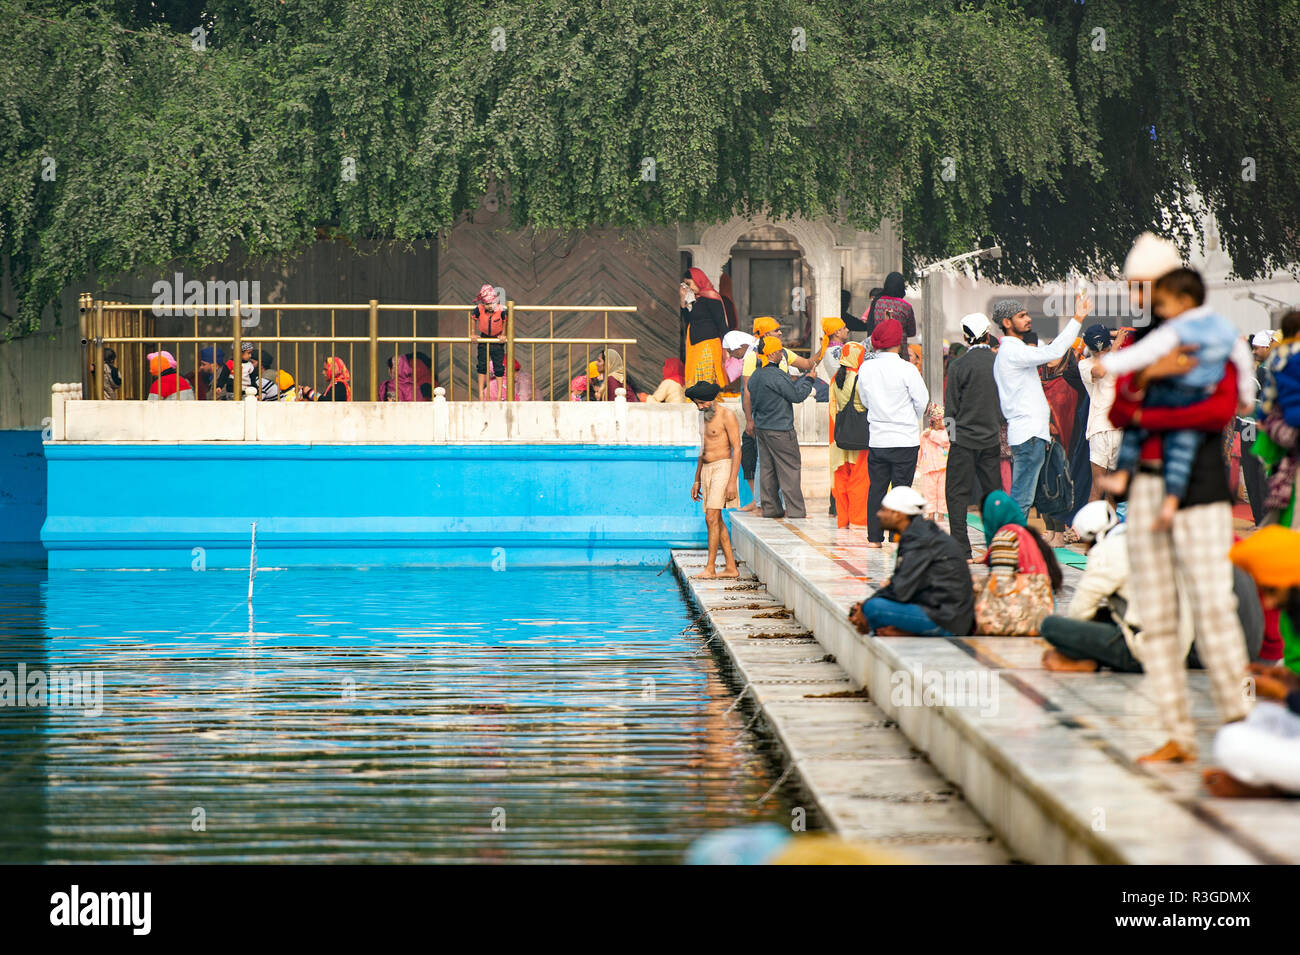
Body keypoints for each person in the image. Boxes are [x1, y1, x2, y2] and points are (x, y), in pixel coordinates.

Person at [1107, 232, 1253, 764]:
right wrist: (1146, 383)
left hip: (1202, 489)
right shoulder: (1136, 346)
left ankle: (1241, 725)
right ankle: (1177, 732)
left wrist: (1149, 408)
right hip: (1147, 486)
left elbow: (1218, 412)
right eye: (1134, 288)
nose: (1139, 298)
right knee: (1158, 614)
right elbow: (1118, 413)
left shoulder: (1213, 340)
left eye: (1145, 287)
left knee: (1215, 605)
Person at [1096, 267, 1255, 531]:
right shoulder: (1221, 330)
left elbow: (1143, 354)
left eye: (1164, 303)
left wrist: (1112, 364)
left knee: (1148, 435)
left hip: (1185, 415)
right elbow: (1243, 364)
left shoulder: (1180, 331)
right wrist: (1246, 397)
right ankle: (1143, 487)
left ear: (1183, 301)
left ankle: (1136, 482)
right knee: (1159, 444)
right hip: (1186, 410)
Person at [1041, 500, 1264, 673]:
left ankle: (1093, 659)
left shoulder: (1107, 550)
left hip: (1158, 652)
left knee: (1051, 626)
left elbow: (1078, 612)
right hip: (1206, 647)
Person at [1203, 526, 1300, 797]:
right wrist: (1282, 680)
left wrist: (1284, 693)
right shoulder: (1290, 617)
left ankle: (1275, 788)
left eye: (1271, 590)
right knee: (1252, 723)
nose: (1267, 603)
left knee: (1232, 744)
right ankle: (1276, 782)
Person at [992, 290, 1090, 514]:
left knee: (1025, 497)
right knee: (1022, 499)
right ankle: (1010, 545)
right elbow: (1054, 351)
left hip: (1030, 434)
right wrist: (1077, 319)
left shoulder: (1013, 351)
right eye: (1022, 315)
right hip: (1028, 436)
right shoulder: (1011, 352)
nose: (1028, 319)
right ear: (1007, 322)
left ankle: (1011, 543)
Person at [847, 486, 975, 636]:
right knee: (873, 605)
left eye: (884, 510)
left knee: (873, 608)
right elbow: (904, 583)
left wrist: (866, 606)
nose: (879, 514)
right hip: (939, 610)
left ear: (898, 515)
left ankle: (905, 630)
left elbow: (900, 589)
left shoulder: (920, 539)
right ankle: (900, 630)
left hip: (947, 620)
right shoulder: (919, 533)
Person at [858, 318, 928, 547]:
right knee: (901, 489)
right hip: (904, 438)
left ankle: (874, 538)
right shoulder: (907, 369)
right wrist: (910, 417)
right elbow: (922, 401)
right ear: (898, 342)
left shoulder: (866, 367)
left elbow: (865, 400)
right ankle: (897, 535)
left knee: (877, 488)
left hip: (878, 437)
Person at [944, 313, 1003, 558]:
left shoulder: (958, 365)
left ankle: (962, 548)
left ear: (966, 337)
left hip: (964, 441)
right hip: (991, 438)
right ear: (988, 335)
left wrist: (952, 437)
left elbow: (951, 409)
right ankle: (999, 547)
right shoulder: (998, 363)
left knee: (956, 494)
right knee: (993, 496)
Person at [747, 336, 815, 519]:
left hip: (762, 428)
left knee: (768, 469)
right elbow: (796, 395)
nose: (782, 355)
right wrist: (809, 380)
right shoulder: (777, 376)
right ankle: (796, 511)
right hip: (781, 429)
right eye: (779, 352)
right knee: (790, 469)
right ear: (772, 354)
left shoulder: (755, 376)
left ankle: (771, 509)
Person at [686, 381, 741, 579]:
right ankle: (731, 567)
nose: (700, 407)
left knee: (710, 517)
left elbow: (737, 448)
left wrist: (733, 481)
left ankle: (710, 568)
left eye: (702, 403)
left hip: (723, 467)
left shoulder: (727, 415)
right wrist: (697, 480)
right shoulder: (701, 416)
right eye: (697, 404)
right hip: (707, 469)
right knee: (715, 519)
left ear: (711, 399)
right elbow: (702, 448)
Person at [980, 490, 1063, 597]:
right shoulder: (1028, 534)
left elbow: (1001, 589)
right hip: (1042, 606)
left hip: (1022, 609)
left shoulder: (1005, 540)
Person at [1078, 324, 1122, 502]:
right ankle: (1089, 528)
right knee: (1098, 486)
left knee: (1113, 490)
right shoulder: (1085, 364)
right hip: (1099, 428)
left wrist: (1111, 335)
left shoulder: (1119, 359)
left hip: (1119, 427)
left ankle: (1109, 529)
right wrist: (1114, 344)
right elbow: (1101, 372)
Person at [829, 341, 871, 528]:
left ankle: (843, 519)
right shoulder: (860, 378)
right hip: (860, 436)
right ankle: (858, 519)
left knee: (841, 477)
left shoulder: (835, 378)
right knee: (860, 478)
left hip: (840, 436)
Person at [1239, 329, 1278, 524]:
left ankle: (1265, 519)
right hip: (1248, 425)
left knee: (1261, 472)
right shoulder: (1257, 370)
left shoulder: (1267, 370)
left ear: (1267, 347)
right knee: (1250, 470)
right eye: (1252, 348)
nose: (1254, 351)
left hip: (1262, 427)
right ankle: (1258, 518)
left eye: (1256, 348)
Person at [679, 268, 729, 387]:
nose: (689, 287)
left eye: (689, 284)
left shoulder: (711, 297)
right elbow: (687, 319)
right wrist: (683, 299)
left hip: (709, 344)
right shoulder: (695, 299)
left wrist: (727, 347)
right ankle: (701, 403)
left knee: (706, 378)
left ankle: (707, 403)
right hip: (695, 343)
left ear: (698, 280)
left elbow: (721, 323)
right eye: (686, 284)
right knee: (697, 377)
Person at [469, 284, 508, 400]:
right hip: (484, 338)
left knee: (498, 367)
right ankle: (481, 393)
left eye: (492, 303)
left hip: (497, 340)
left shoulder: (501, 310)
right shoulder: (479, 309)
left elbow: (505, 322)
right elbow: (473, 319)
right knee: (482, 365)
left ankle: (500, 393)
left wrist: (503, 335)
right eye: (487, 304)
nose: (490, 306)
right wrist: (472, 333)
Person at [862, 272, 916, 350]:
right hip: (900, 350)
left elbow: (870, 326)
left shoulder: (876, 302)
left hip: (878, 349)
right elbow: (912, 332)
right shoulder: (906, 306)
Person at [918, 402, 949, 523]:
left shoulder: (945, 433)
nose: (942, 423)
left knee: (942, 493)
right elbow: (920, 450)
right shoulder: (925, 434)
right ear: (934, 421)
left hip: (943, 468)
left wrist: (932, 434)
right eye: (940, 420)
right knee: (929, 492)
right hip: (928, 468)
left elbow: (945, 441)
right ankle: (930, 513)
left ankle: (941, 514)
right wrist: (917, 463)